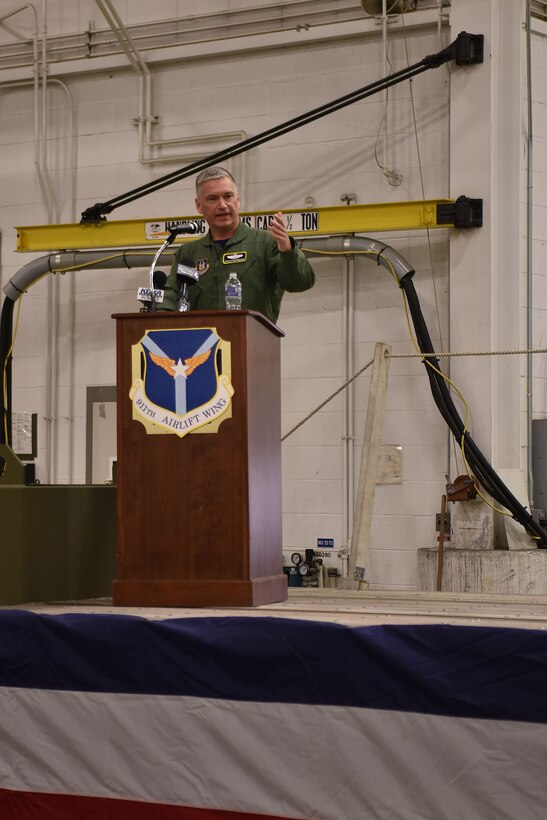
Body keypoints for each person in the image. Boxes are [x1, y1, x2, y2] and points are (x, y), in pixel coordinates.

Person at [160, 166, 315, 323]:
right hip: (202, 346)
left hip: (251, 343)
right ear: (199, 205)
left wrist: (288, 250)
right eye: (213, 199)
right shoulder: (188, 254)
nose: (222, 205)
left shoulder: (265, 243)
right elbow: (169, 302)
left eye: (228, 196)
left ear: (238, 200)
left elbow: (301, 283)